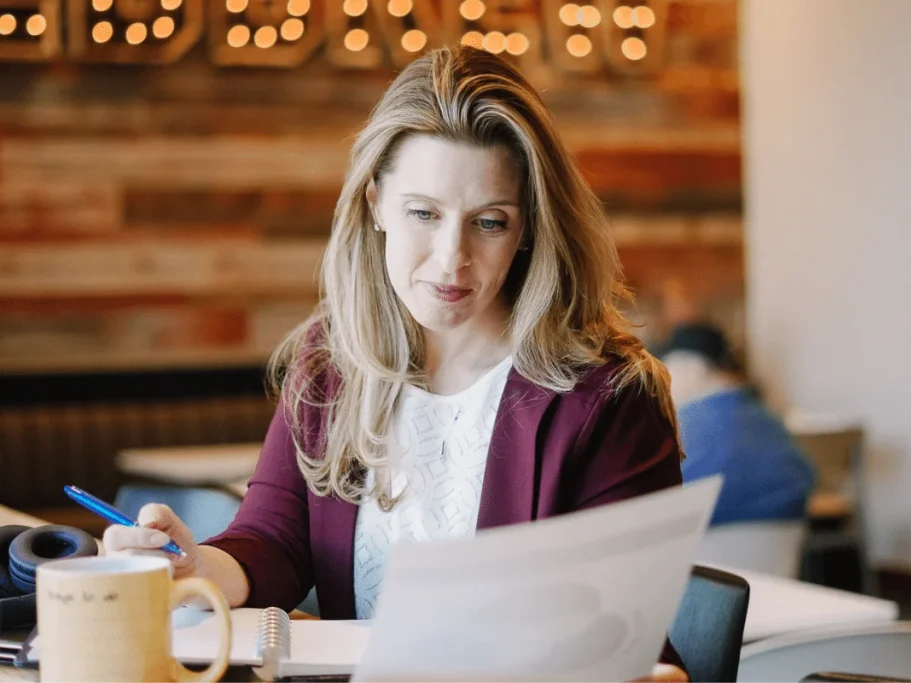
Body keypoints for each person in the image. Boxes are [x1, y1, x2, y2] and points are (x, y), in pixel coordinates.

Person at [105, 46, 688, 679]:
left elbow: (634, 652)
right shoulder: (331, 361)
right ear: (376, 202)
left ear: (528, 231)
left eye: (489, 223)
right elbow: (273, 542)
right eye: (423, 214)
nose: (450, 259)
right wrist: (194, 565)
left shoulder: (605, 398)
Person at [659, 322, 815, 527]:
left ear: (689, 369)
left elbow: (661, 507)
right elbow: (807, 480)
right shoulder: (768, 420)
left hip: (696, 553)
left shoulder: (684, 427)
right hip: (775, 556)